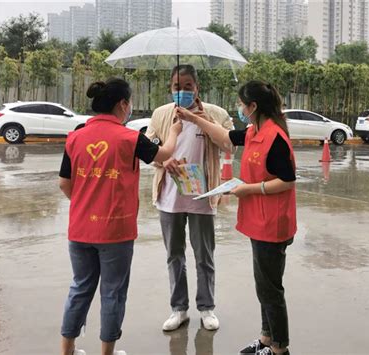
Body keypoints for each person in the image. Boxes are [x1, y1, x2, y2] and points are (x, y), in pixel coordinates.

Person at [58, 78, 182, 355]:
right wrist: (174, 129)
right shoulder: (130, 138)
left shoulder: (76, 136)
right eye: (130, 103)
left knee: (79, 288)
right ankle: (107, 352)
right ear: (122, 104)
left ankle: (66, 350)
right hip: (116, 232)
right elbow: (165, 153)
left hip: (79, 230)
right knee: (113, 292)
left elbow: (65, 184)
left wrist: (84, 206)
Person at [175, 80, 296, 355]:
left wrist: (248, 189)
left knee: (271, 291)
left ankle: (280, 349)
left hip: (273, 224)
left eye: (242, 105)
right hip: (259, 221)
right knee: (263, 286)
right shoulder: (256, 131)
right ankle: (266, 339)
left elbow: (287, 181)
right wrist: (193, 118)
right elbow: (226, 137)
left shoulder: (275, 137)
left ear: (253, 107)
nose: (239, 109)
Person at [145, 64, 234, 331]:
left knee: (204, 255)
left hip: (202, 198)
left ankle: (206, 307)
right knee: (175, 255)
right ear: (170, 88)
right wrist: (164, 161)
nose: (181, 92)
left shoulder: (215, 114)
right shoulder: (161, 114)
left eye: (187, 87)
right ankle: (179, 309)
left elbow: (229, 144)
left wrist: (197, 119)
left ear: (197, 88)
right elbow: (147, 150)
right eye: (176, 87)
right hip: (169, 198)